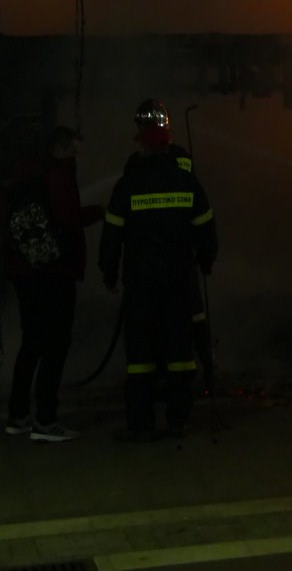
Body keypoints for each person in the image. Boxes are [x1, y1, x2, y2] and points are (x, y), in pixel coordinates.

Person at [99, 98, 217, 442]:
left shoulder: (128, 184)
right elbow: (206, 228)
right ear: (168, 144)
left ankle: (141, 423)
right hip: (179, 281)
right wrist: (206, 260)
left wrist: (109, 271)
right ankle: (178, 419)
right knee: (180, 352)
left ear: (142, 146)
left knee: (140, 355)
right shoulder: (187, 181)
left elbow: (111, 234)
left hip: (140, 283)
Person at [3, 125, 104, 442]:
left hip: (23, 271)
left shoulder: (24, 173)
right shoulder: (58, 174)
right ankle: (46, 421)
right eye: (73, 149)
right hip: (54, 272)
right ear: (59, 148)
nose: (76, 156)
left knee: (32, 342)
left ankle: (18, 416)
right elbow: (68, 218)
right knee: (56, 344)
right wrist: (99, 212)